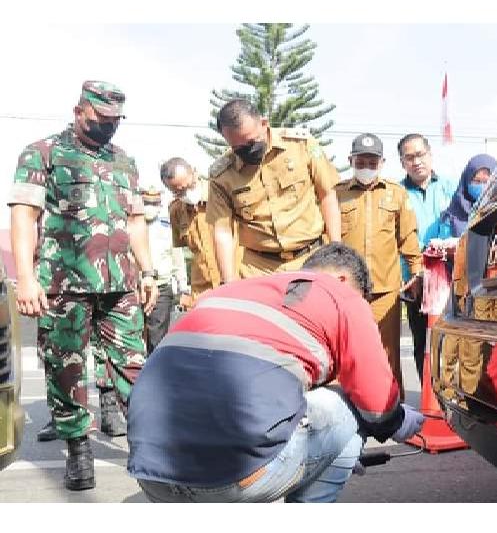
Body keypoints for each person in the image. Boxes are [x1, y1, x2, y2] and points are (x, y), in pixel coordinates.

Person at [127, 242, 425, 503]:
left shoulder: (230, 291)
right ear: (343, 279)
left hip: (152, 476)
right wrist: (397, 421)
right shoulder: (341, 295)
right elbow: (375, 402)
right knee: (350, 405)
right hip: (231, 479)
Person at [8, 80, 158, 491]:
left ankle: (147, 443)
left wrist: (147, 272)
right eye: (101, 119)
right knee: (66, 368)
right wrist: (26, 279)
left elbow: (135, 222)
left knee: (134, 365)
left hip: (121, 284)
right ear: (80, 112)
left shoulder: (125, 161)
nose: (108, 127)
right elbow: (24, 216)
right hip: (63, 283)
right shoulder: (43, 153)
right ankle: (78, 449)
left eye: (115, 121)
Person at [206, 99, 341, 281]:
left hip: (311, 259)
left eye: (251, 142)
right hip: (258, 269)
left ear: (264, 124)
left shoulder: (301, 145)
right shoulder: (221, 175)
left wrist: (336, 252)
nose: (247, 151)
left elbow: (327, 195)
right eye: (238, 148)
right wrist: (228, 281)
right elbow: (222, 231)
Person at [335, 133, 422, 399]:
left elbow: (408, 239)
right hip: (347, 290)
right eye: (361, 161)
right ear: (351, 160)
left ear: (382, 163)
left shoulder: (396, 194)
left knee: (388, 353)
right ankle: (354, 408)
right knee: (349, 353)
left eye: (372, 162)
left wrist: (417, 273)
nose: (366, 167)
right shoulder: (336, 195)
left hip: (385, 291)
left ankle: (393, 408)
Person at [397, 133, 455, 380]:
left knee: (453, 343)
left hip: (450, 280)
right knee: (422, 343)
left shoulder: (451, 188)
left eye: (420, 155)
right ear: (402, 162)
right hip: (415, 280)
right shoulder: (396, 193)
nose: (416, 161)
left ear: (430, 155)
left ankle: (454, 402)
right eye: (409, 157)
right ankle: (427, 403)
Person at [160, 157, 221, 307]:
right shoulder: (175, 211)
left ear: (194, 172)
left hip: (234, 280)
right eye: (178, 192)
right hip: (203, 289)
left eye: (189, 186)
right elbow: (184, 252)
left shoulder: (221, 194)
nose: (186, 193)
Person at [141, 185, 188, 354]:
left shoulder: (167, 228)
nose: (150, 207)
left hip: (161, 287)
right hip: (135, 288)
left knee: (157, 336)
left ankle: (155, 372)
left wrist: (183, 287)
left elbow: (178, 258)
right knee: (134, 336)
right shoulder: (131, 226)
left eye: (154, 203)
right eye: (146, 202)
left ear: (160, 205)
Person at [440, 153, 497, 237]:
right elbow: (445, 245)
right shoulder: (451, 217)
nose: (482, 186)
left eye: (487, 182)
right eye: (476, 181)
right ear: (466, 182)